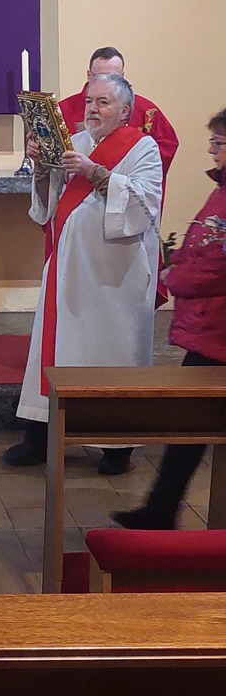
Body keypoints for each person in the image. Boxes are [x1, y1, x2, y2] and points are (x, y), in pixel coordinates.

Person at [3, 73, 162, 475]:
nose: (93, 108)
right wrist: (42, 167)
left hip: (115, 276)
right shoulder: (73, 142)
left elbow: (145, 204)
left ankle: (116, 445)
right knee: (56, 348)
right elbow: (49, 203)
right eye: (90, 101)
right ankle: (40, 435)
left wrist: (96, 172)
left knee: (112, 354)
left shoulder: (143, 147)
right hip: (69, 267)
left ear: (125, 111)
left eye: (103, 102)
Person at [113, 109, 226, 528]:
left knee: (191, 423)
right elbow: (208, 242)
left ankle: (161, 509)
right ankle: (161, 508)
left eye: (219, 142)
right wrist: (177, 257)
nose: (211, 150)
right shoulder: (221, 189)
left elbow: (218, 263)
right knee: (189, 425)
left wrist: (174, 276)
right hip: (211, 330)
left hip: (219, 332)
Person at [58, 46, 178, 177]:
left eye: (114, 77)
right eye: (100, 77)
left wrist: (129, 161)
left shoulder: (146, 111)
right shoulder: (62, 111)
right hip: (77, 186)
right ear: (89, 75)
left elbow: (165, 149)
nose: (93, 108)